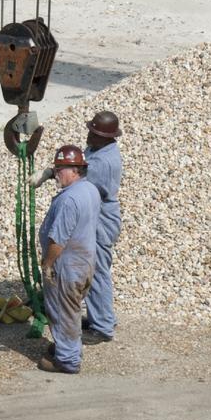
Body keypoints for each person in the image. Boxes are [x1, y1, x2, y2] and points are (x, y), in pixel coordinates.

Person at [37, 144, 101, 374]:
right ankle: (71, 348)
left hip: (66, 265)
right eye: (55, 169)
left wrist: (47, 264)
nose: (56, 174)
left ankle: (67, 361)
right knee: (72, 309)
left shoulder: (68, 200)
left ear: (76, 170)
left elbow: (58, 240)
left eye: (60, 169)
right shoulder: (90, 190)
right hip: (85, 262)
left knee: (62, 311)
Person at [83, 110, 123, 343]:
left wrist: (52, 173)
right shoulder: (99, 148)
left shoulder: (103, 162)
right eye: (90, 130)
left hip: (101, 219)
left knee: (97, 272)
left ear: (107, 137)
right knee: (93, 269)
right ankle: (100, 315)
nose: (89, 136)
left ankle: (103, 326)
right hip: (97, 214)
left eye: (94, 133)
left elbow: (79, 182)